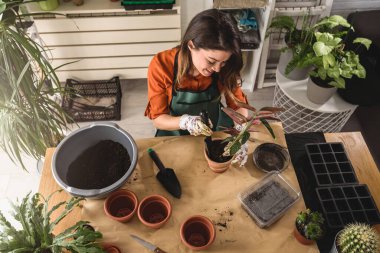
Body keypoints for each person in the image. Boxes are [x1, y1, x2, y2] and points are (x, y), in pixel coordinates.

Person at [144, 9, 249, 165]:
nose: (218, 69)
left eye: (224, 62)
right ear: (191, 45)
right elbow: (158, 119)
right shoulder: (161, 65)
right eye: (211, 61)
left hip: (214, 127)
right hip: (174, 129)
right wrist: (185, 122)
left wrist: (241, 135)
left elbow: (238, 105)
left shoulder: (224, 68)